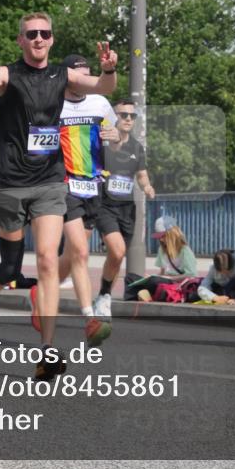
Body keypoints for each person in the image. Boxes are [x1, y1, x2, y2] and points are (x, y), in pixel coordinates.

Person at [0, 12, 117, 381]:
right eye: (32, 34)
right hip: (10, 183)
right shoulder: (6, 75)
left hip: (49, 181)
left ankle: (47, 351)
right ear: (21, 40)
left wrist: (108, 71)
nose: (39, 39)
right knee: (10, 268)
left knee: (46, 260)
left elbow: (104, 88)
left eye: (45, 33)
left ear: (52, 39)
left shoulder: (64, 75)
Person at [40, 53, 117, 346]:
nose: (86, 81)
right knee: (81, 253)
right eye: (80, 76)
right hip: (63, 184)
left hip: (93, 184)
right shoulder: (52, 103)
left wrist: (114, 135)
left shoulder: (99, 102)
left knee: (73, 255)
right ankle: (90, 318)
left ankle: (43, 291)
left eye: (89, 76)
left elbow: (118, 134)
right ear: (69, 77)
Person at [93, 98, 156, 318]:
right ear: (114, 117)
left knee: (117, 256)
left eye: (132, 116)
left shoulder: (137, 147)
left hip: (127, 208)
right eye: (123, 115)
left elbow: (141, 175)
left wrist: (147, 187)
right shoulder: (103, 141)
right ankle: (104, 295)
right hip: (104, 205)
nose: (128, 119)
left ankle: (104, 294)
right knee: (117, 250)